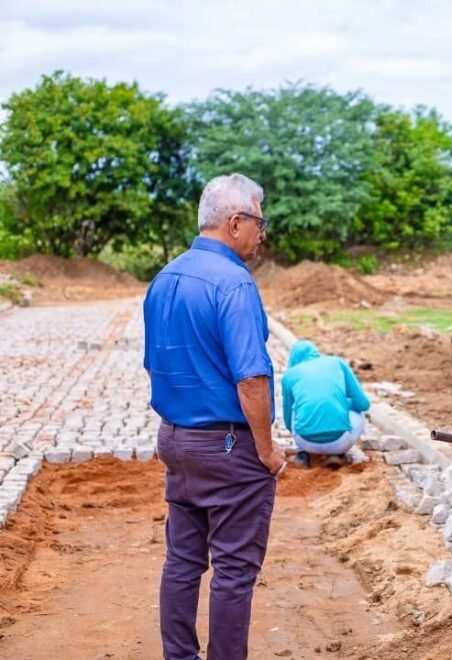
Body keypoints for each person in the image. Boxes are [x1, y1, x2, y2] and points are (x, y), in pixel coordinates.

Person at [144, 173, 286, 659]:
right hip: (228, 448)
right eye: (259, 223)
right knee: (233, 569)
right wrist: (265, 451)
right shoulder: (234, 284)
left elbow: (153, 363)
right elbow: (251, 379)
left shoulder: (165, 278)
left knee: (182, 561)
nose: (262, 234)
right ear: (235, 223)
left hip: (176, 441)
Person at [281, 339, 370, 467]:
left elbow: (288, 418)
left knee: (297, 407)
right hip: (340, 441)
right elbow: (363, 404)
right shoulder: (337, 363)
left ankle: (302, 455)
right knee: (357, 410)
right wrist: (344, 404)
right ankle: (337, 454)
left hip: (305, 442)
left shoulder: (289, 375)